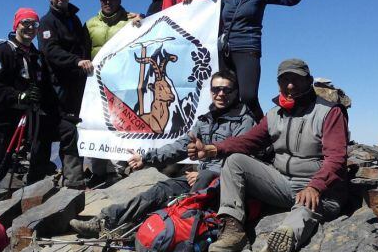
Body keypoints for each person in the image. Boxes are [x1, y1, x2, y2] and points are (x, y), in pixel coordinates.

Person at [188, 59, 348, 252]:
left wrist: (315, 186)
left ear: (308, 80)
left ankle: (281, 242)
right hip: (282, 183)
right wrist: (212, 149)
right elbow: (248, 141)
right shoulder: (274, 114)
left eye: (296, 79)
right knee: (235, 160)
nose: (290, 85)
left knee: (304, 209)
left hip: (319, 190)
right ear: (278, 84)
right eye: (284, 80)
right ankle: (233, 228)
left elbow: (336, 158)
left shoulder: (329, 112)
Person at [69, 70, 255, 236]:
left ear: (236, 92)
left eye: (226, 90)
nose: (220, 94)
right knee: (159, 190)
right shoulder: (205, 120)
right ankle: (105, 221)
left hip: (222, 185)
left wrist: (205, 174)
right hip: (199, 180)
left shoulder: (244, 121)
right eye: (216, 89)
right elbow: (180, 146)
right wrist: (145, 158)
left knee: (198, 184)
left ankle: (161, 230)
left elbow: (242, 158)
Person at [218, 0, 318, 120]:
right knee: (227, 96)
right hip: (223, 51)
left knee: (248, 96)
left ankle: (264, 134)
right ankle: (233, 137)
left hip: (248, 49)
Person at [0, 7, 58, 208]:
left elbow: (44, 87)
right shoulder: (3, 51)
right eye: (25, 23)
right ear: (16, 25)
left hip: (28, 119)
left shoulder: (36, 56)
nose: (30, 27)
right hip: (1, 121)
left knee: (25, 166)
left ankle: (16, 210)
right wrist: (19, 95)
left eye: (34, 24)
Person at [38, 0, 93, 189]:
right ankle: (71, 182)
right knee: (67, 131)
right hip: (58, 87)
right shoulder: (47, 22)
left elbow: (83, 46)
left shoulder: (75, 19)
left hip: (79, 85)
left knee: (78, 129)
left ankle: (74, 179)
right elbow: (50, 51)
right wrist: (77, 61)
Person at [84, 0, 132, 186]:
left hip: (121, 82)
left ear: (119, 0)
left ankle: (118, 168)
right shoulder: (89, 24)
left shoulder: (130, 22)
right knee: (97, 122)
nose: (107, 1)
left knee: (120, 123)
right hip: (95, 83)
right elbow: (83, 49)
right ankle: (98, 170)